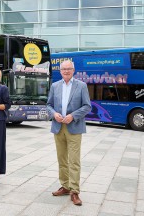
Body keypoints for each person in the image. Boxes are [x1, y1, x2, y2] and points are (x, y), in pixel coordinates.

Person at [46, 60, 91, 206]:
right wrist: (54, 114)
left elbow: (87, 106)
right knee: (62, 159)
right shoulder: (55, 86)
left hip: (74, 126)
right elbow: (48, 105)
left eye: (69, 69)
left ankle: (75, 191)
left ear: (73, 70)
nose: (66, 71)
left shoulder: (81, 86)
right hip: (58, 127)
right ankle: (65, 186)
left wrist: (73, 116)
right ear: (60, 71)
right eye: (64, 69)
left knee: (74, 161)